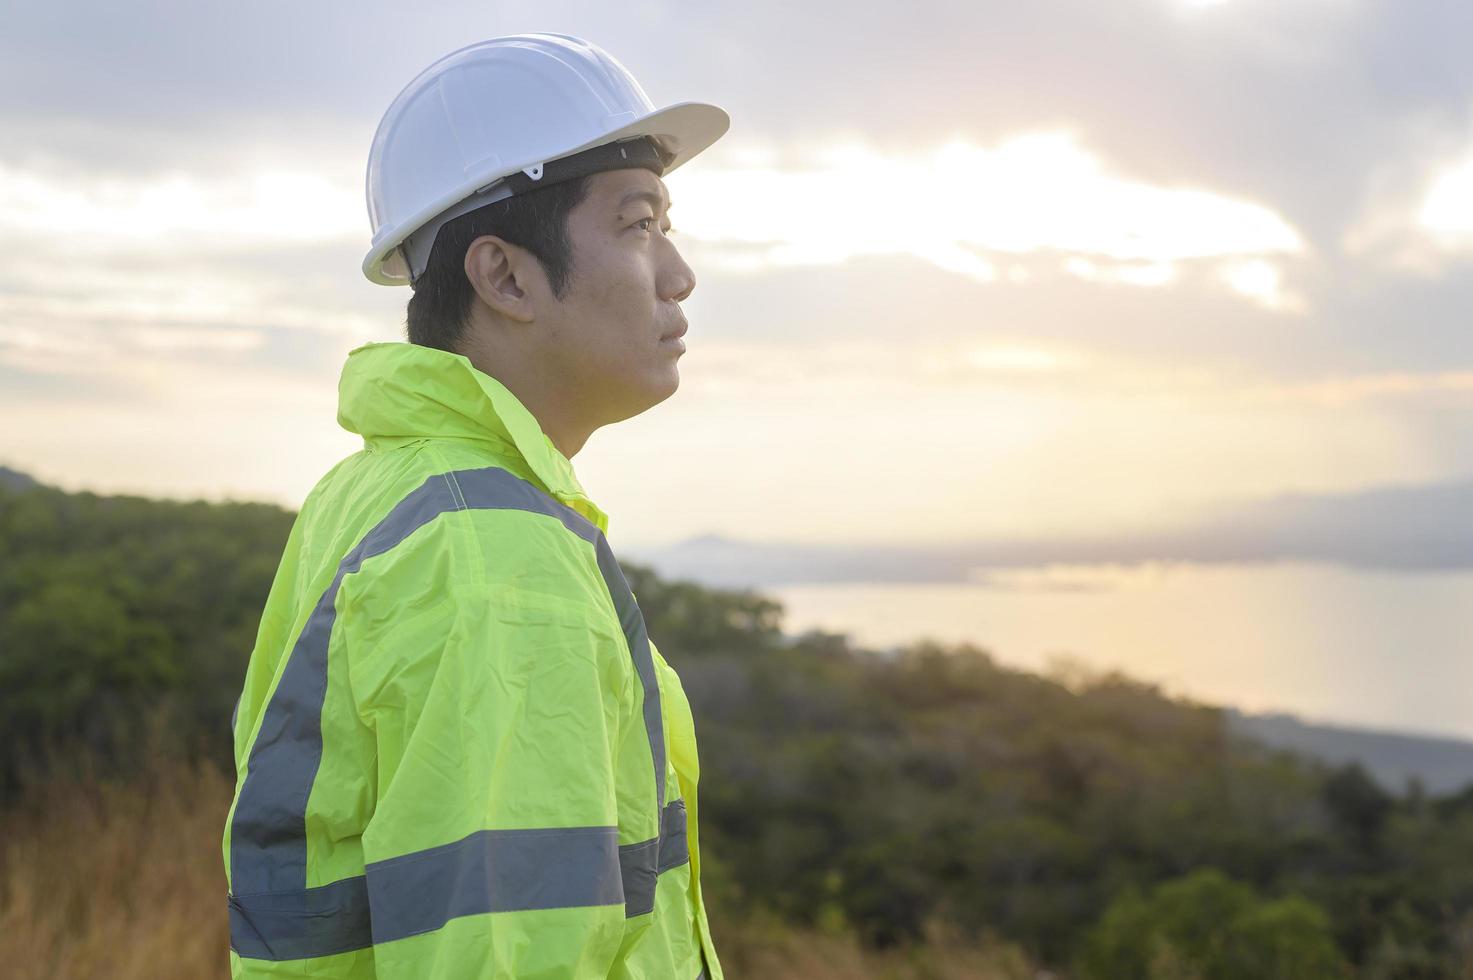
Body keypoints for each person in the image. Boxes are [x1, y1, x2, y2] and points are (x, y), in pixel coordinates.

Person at [222, 33, 729, 979]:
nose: (677, 272)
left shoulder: (382, 490)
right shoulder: (497, 561)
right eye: (637, 224)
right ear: (503, 277)